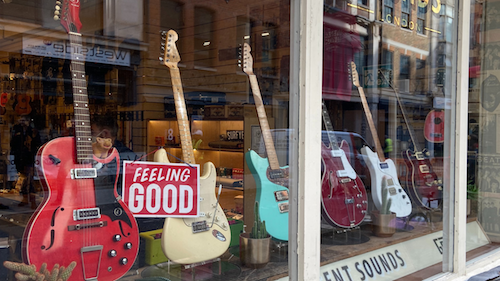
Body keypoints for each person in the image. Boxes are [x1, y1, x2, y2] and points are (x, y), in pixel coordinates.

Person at [10, 115, 41, 209]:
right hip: (20, 157)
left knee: (30, 180)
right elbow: (12, 143)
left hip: (29, 157)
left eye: (24, 120)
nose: (22, 122)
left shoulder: (33, 131)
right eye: (21, 120)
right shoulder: (17, 130)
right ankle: (25, 199)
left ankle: (33, 201)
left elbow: (38, 143)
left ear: (28, 121)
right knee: (23, 178)